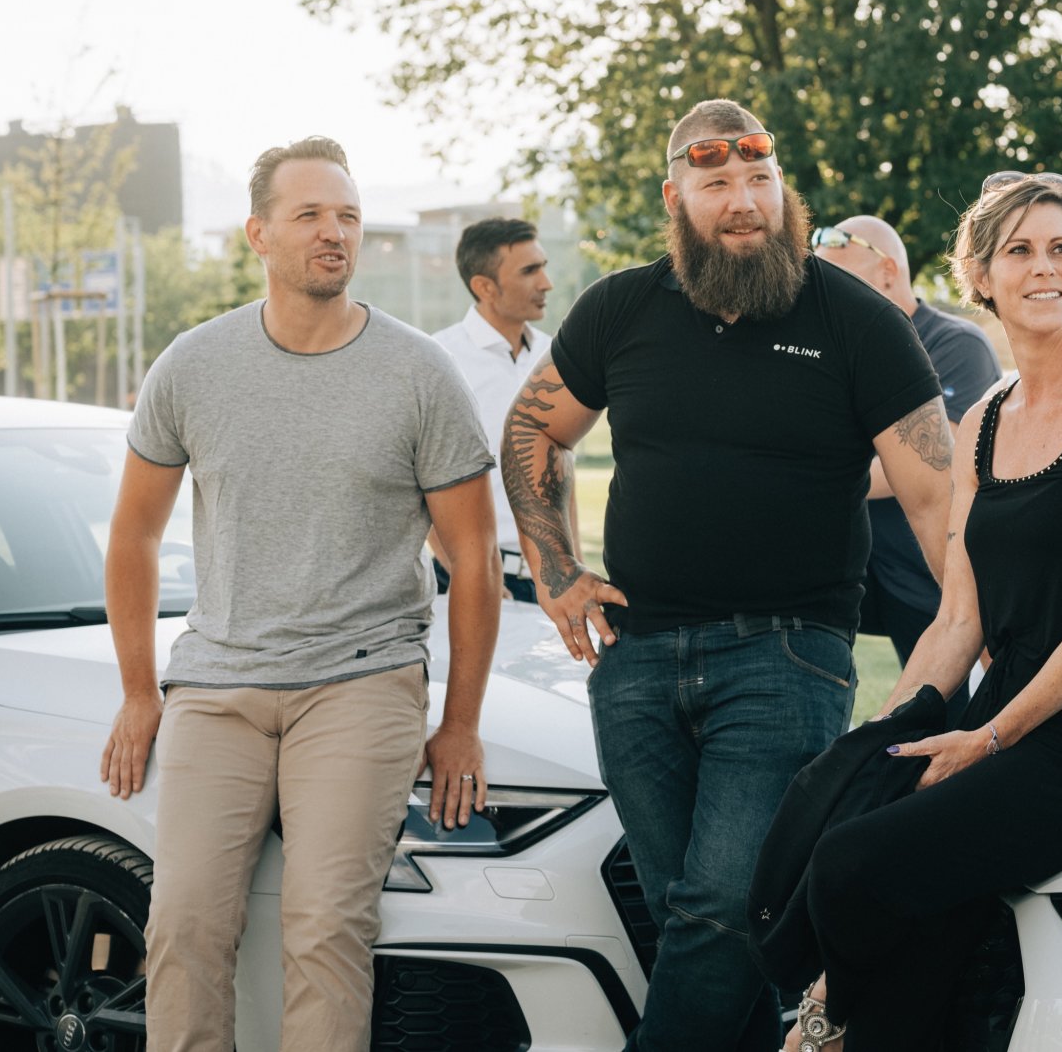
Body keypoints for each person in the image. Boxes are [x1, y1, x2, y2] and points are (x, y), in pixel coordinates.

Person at [498, 100, 953, 1052]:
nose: (743, 202)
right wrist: (556, 569)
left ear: (783, 191)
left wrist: (976, 648)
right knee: (699, 918)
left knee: (716, 906)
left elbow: (937, 502)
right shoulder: (620, 308)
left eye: (760, 181)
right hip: (635, 658)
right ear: (677, 198)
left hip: (787, 657)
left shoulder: (858, 322)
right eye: (716, 184)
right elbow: (535, 426)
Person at [100, 136, 501, 1051]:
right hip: (217, 685)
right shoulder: (194, 365)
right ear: (258, 234)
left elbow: (474, 561)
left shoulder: (416, 373)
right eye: (311, 215)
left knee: (325, 932)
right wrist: (136, 689)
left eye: (349, 216)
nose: (335, 233)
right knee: (183, 926)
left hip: (362, 684)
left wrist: (462, 720)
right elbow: (133, 534)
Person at [786, 172, 1062, 1052]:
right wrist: (888, 736)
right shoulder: (981, 420)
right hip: (1006, 703)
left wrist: (988, 738)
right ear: (979, 273)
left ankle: (824, 1016)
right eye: (1019, 250)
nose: (1043, 268)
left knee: (852, 865)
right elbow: (958, 616)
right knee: (852, 825)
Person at [812, 213, 1002, 720]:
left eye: (840, 280)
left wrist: (817, 479)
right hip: (855, 566)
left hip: (931, 570)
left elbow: (940, 456)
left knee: (949, 716)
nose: (827, 297)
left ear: (889, 273)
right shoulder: (833, 352)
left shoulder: (956, 345)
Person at [431, 215, 573, 603]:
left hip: (556, 583)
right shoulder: (439, 359)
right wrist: (465, 574)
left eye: (543, 266)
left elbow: (562, 466)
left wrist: (572, 567)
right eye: (530, 271)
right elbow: (416, 481)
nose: (546, 283)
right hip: (474, 583)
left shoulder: (556, 353)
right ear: (484, 287)